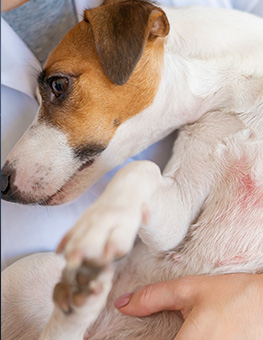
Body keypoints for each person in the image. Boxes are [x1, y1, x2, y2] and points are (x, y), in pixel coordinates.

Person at [1, 0, 263, 338]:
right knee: (35, 279)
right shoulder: (206, 123)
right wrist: (133, 188)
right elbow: (169, 228)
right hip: (101, 309)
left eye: (59, 87)